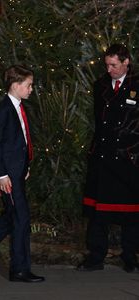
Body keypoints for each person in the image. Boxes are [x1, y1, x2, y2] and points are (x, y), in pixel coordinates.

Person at [0, 65, 45, 282]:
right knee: (20, 220)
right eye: (28, 85)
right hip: (8, 176)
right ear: (15, 86)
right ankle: (19, 269)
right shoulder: (5, 109)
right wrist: (2, 175)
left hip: (17, 172)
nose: (31, 89)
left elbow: (19, 141)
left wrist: (24, 166)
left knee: (15, 217)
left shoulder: (18, 107)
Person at [77, 44, 139, 273]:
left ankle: (130, 256)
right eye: (107, 65)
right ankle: (95, 256)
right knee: (98, 213)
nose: (109, 69)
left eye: (114, 65)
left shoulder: (136, 85)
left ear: (126, 62)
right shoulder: (101, 85)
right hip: (102, 157)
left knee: (132, 213)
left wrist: (131, 149)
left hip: (128, 158)